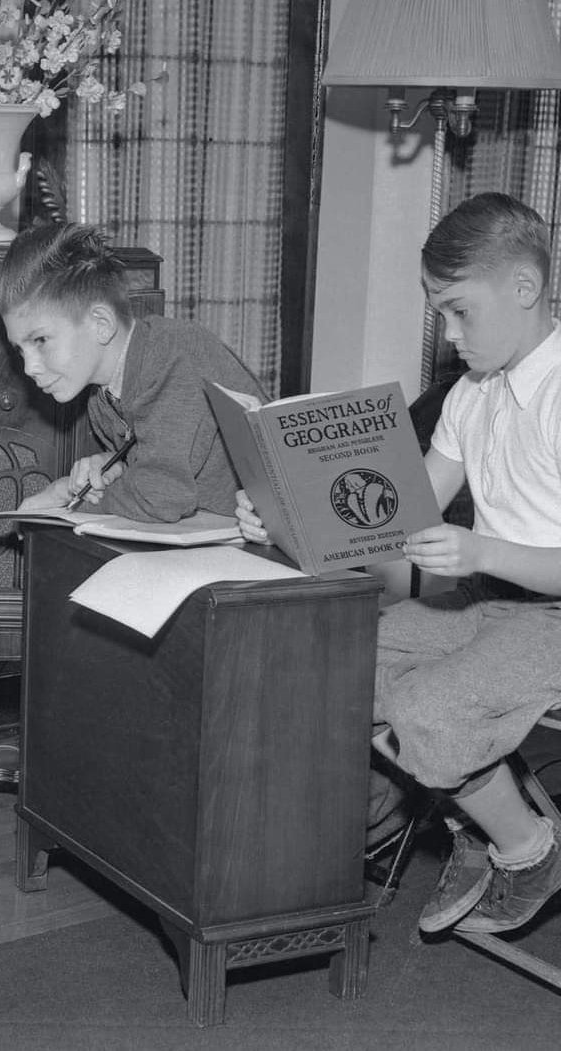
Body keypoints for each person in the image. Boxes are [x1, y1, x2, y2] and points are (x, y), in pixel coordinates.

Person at [237, 191, 561, 935]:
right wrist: (279, 513)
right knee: (336, 666)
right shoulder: (473, 395)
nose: (447, 335)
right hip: (486, 601)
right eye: (437, 313)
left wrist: (481, 548)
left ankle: (528, 847)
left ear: (524, 288)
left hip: (550, 616)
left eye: (458, 311)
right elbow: (402, 510)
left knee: (426, 707)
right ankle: (470, 825)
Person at [0, 221, 265, 521]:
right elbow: (161, 460)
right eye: (20, 349)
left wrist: (65, 497)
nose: (29, 368)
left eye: (40, 340)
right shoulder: (103, 397)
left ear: (101, 324)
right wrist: (113, 464)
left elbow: (161, 498)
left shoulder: (172, 359)